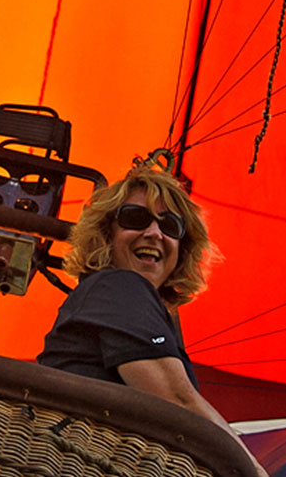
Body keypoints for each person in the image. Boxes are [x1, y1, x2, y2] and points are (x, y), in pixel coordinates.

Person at [38, 169, 267, 476]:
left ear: (181, 248)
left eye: (170, 225)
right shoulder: (119, 285)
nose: (155, 233)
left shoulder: (127, 301)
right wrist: (253, 470)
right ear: (107, 234)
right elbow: (177, 401)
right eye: (135, 218)